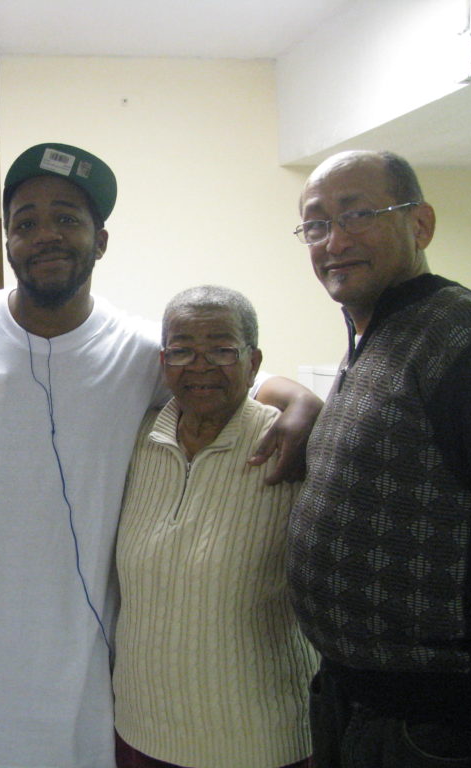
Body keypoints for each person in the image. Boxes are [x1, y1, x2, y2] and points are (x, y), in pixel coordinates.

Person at [0, 142, 322, 767]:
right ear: (8, 240)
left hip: (83, 678)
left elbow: (237, 385)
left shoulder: (143, 351)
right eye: (27, 221)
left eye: (68, 218)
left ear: (101, 239)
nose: (47, 235)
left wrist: (303, 401)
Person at [287, 150, 471, 767]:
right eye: (316, 224)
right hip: (360, 709)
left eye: (359, 214)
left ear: (420, 225)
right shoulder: (377, 337)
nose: (334, 240)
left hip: (443, 730)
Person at [114, 285, 316, 768]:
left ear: (253, 360)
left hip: (261, 741)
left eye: (222, 349)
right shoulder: (133, 440)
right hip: (142, 729)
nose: (200, 365)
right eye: (182, 350)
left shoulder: (293, 447)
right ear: (163, 362)